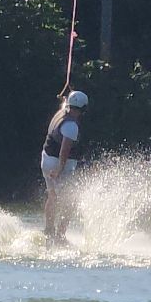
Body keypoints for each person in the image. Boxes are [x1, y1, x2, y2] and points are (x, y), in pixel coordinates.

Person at [40, 89, 88, 242]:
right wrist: (60, 169)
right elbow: (65, 150)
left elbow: (65, 105)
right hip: (57, 164)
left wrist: (66, 97)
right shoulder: (71, 126)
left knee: (53, 196)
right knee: (71, 202)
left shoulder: (61, 113)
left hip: (46, 159)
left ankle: (48, 230)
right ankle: (60, 235)